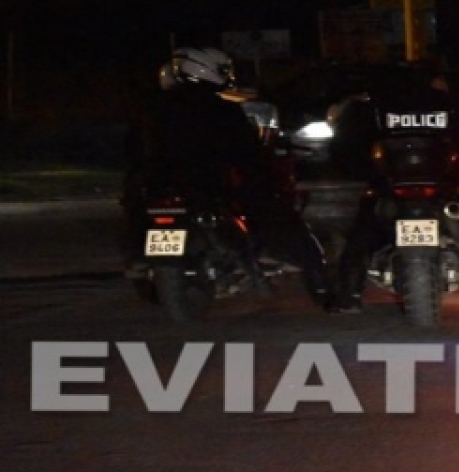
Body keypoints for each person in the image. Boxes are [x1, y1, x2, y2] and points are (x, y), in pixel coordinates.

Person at [125, 46, 332, 307]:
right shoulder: (220, 109)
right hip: (209, 184)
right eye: (224, 70)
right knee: (276, 214)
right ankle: (319, 287)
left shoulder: (152, 108)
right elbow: (246, 151)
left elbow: (132, 148)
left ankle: (141, 261)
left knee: (136, 214)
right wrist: (259, 170)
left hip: (158, 186)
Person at [327, 66, 459, 315]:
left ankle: (349, 295)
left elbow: (343, 147)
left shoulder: (374, 108)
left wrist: (369, 175)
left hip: (392, 184)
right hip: (447, 183)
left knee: (362, 231)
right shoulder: (452, 105)